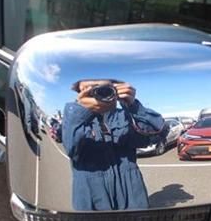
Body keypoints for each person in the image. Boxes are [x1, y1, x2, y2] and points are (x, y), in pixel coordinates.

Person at [62, 79, 166, 211]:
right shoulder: (74, 117)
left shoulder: (125, 116)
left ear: (116, 89)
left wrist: (134, 106)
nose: (98, 93)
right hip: (91, 195)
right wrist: (79, 111)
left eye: (104, 89)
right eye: (89, 90)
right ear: (79, 94)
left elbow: (157, 134)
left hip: (130, 193)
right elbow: (71, 148)